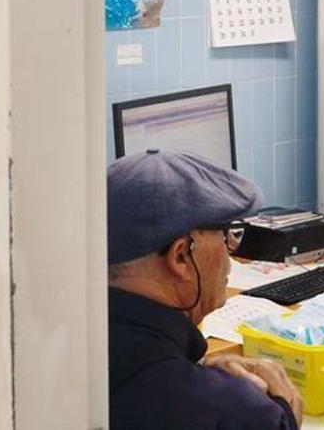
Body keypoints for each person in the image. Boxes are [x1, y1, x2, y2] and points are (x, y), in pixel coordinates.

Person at [107, 149, 303, 430]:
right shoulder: (239, 415)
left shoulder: (61, 358)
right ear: (181, 257)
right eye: (226, 235)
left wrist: (202, 370)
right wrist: (284, 409)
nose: (231, 251)